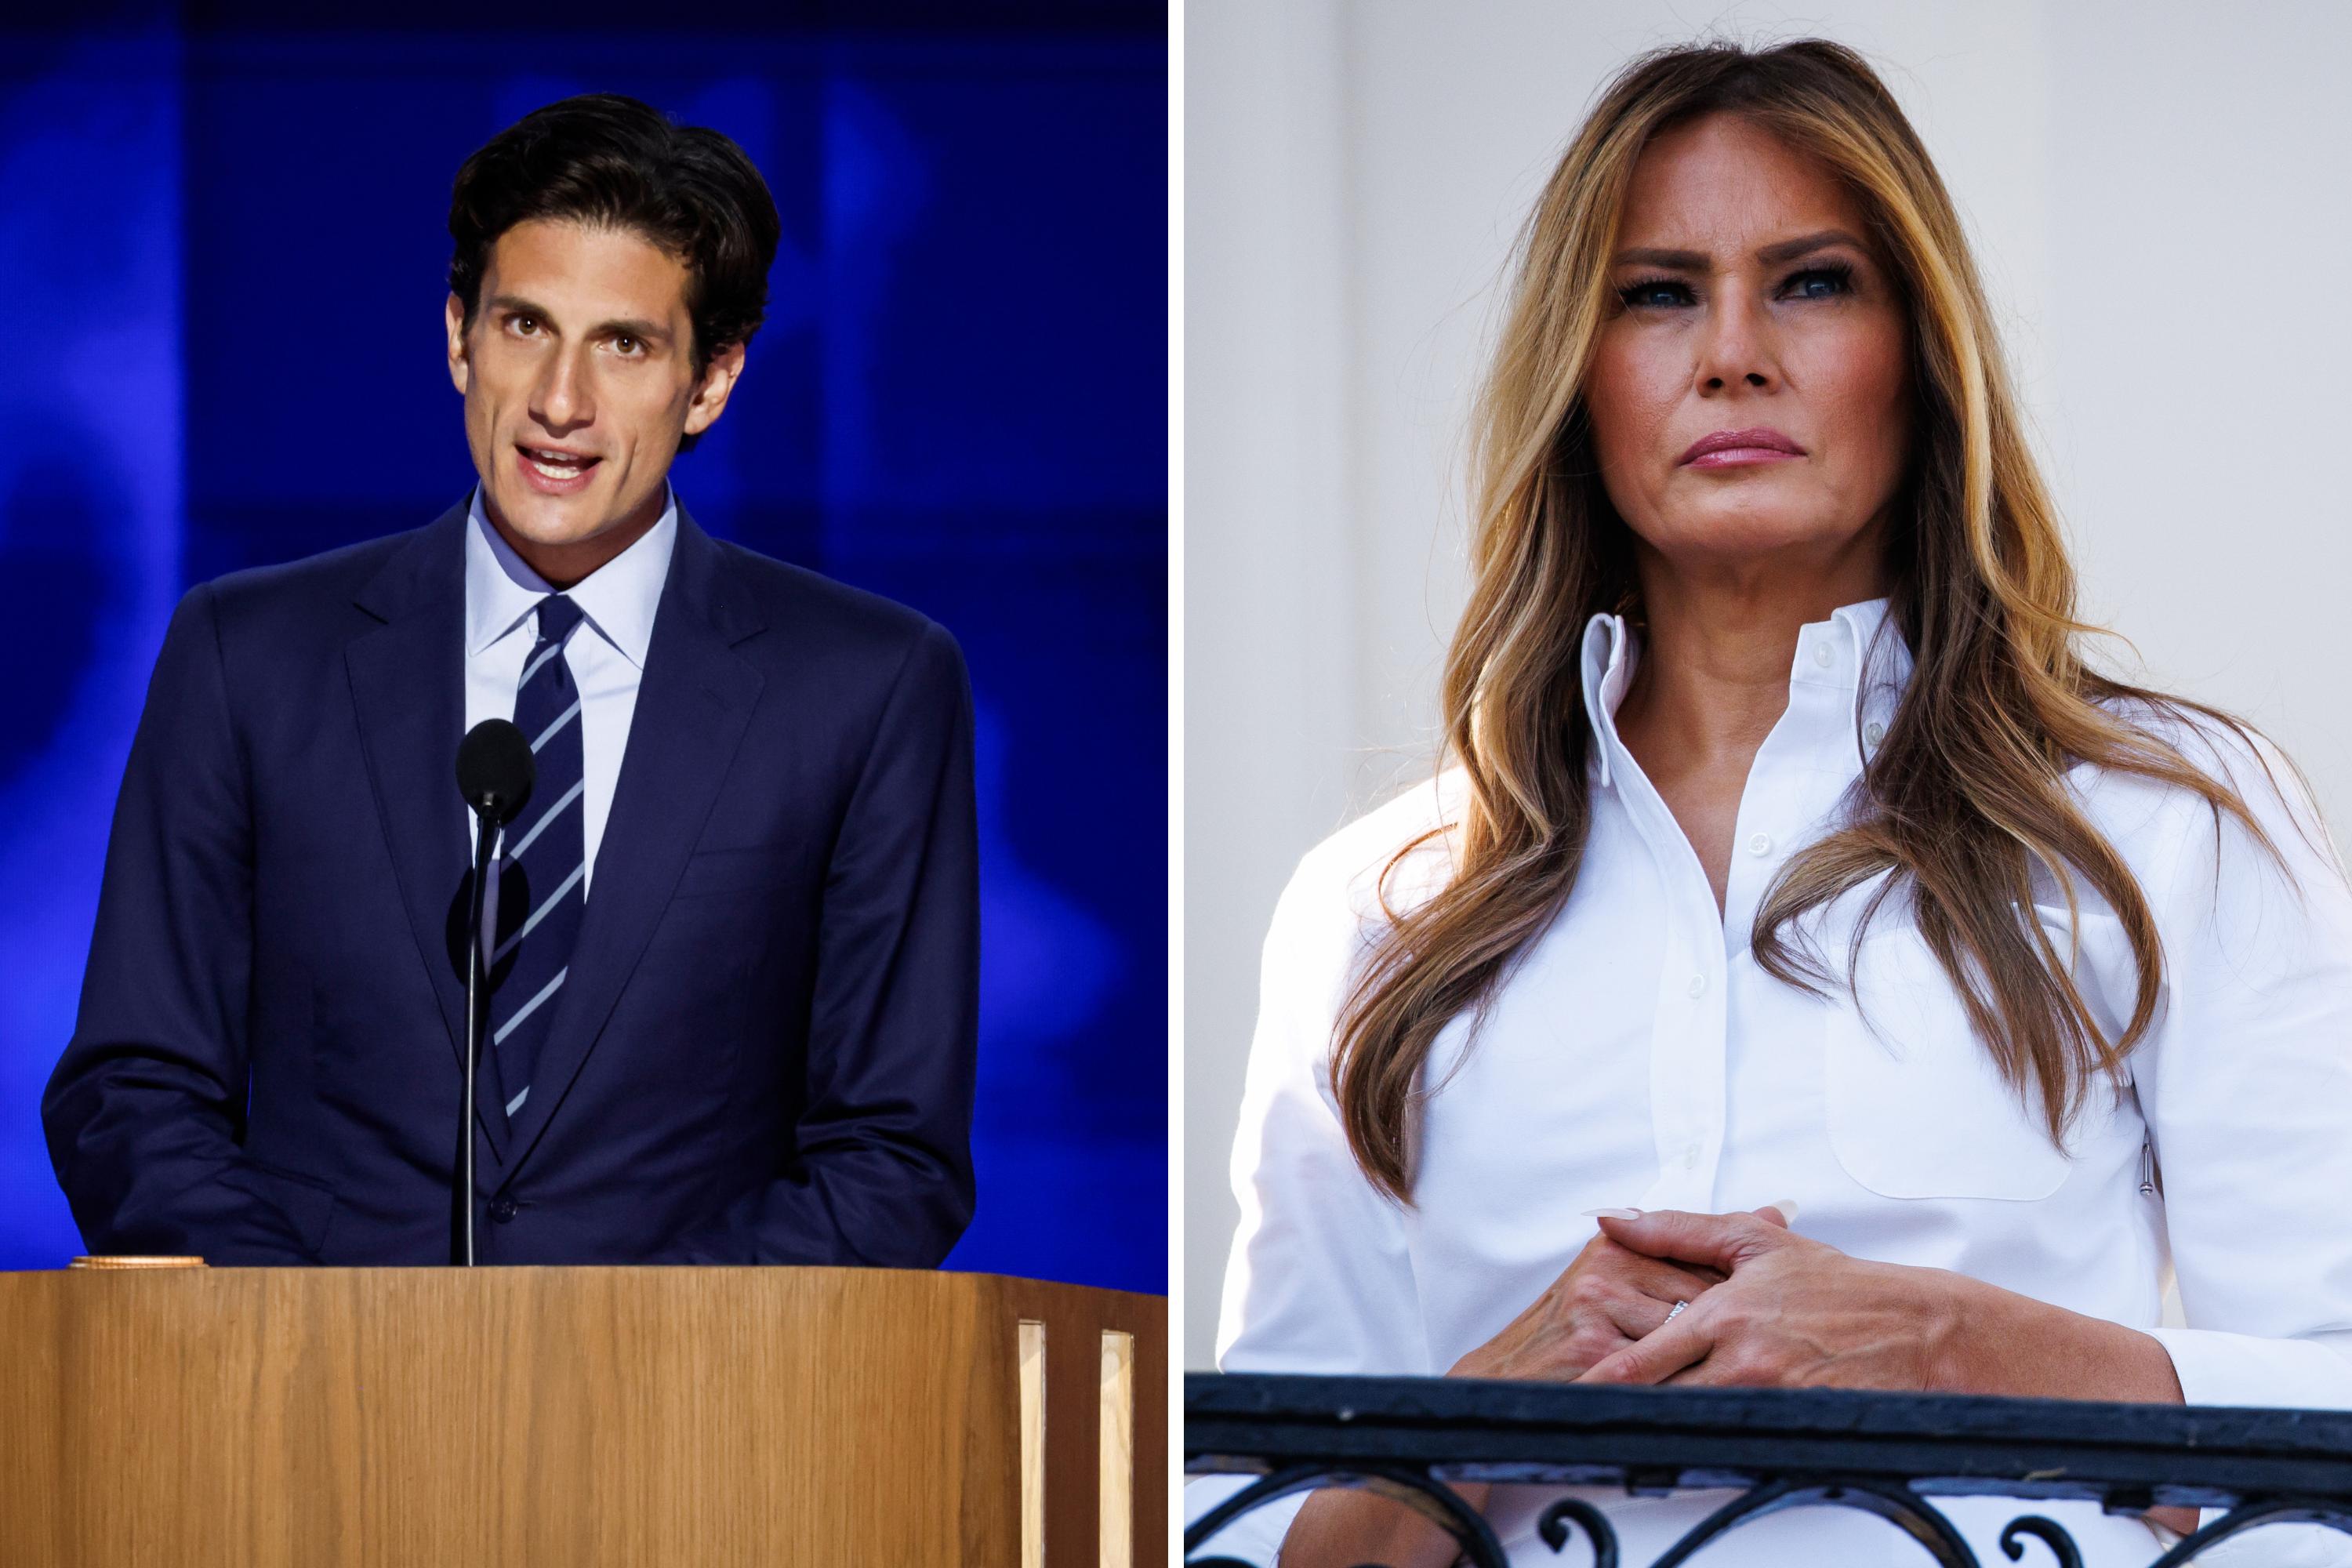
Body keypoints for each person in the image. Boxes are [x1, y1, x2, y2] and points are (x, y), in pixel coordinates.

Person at [1204, 39, 2352, 1568]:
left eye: (1811, 282)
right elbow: (1247, 1524)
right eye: (1659, 292)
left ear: (1920, 352)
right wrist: (1488, 1404)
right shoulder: (1382, 906)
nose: (1733, 353)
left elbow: (2332, 1433)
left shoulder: (2170, 829)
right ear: (1578, 371)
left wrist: (1958, 1346)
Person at [42, 93, 978, 1267]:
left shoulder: (868, 688)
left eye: (624, 344)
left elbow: (893, 1156)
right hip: (311, 1420)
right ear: (458, 337)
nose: (560, 403)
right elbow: (131, 1090)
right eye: (526, 325)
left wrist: (601, 1374)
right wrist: (316, 1356)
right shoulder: (250, 656)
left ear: (711, 382)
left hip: (698, 1426)